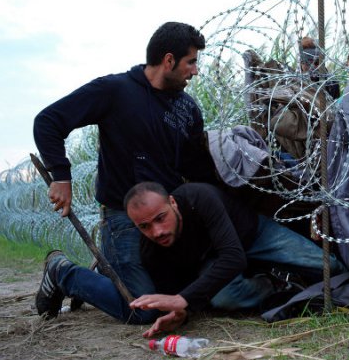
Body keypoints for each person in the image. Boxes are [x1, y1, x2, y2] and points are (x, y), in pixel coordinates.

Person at [33, 22, 215, 323]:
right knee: (144, 313)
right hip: (124, 221)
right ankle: (63, 272)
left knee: (185, 297)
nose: (195, 71)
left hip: (169, 219)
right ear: (168, 60)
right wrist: (61, 176)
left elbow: (194, 167)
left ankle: (104, 281)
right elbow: (49, 121)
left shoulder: (188, 110)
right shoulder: (115, 91)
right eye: (191, 62)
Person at [124, 181, 344, 337]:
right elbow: (177, 295)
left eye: (160, 218)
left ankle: (280, 271)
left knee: (331, 268)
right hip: (217, 259)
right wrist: (179, 313)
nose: (157, 231)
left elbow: (233, 257)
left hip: (253, 235)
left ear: (173, 202)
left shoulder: (199, 197)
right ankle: (275, 284)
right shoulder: (150, 251)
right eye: (144, 226)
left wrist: (183, 300)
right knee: (225, 299)